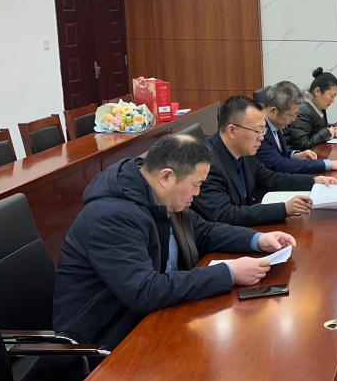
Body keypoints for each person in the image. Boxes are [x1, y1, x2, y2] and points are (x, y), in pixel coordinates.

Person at [52, 134, 295, 348]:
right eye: (196, 184)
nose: (197, 193)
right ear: (166, 176)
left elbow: (204, 231)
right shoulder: (111, 217)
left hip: (149, 319)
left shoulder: (156, 194)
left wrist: (257, 239)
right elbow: (145, 291)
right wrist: (229, 273)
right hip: (106, 339)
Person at [192, 96, 337, 226]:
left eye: (263, 130)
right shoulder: (206, 164)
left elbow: (271, 178)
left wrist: (314, 181)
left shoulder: (244, 149)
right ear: (232, 130)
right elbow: (225, 214)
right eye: (257, 131)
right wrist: (283, 209)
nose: (262, 137)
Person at [257, 81, 337, 175]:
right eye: (291, 115)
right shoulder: (259, 132)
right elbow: (280, 165)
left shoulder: (273, 124)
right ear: (273, 111)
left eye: (296, 114)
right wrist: (327, 164)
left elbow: (279, 153)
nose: (294, 120)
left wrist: (295, 155)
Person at [285, 67, 337, 151]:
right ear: (317, 91)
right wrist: (326, 133)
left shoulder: (317, 105)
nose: (333, 101)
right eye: (331, 96)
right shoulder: (302, 110)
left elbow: (321, 127)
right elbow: (302, 145)